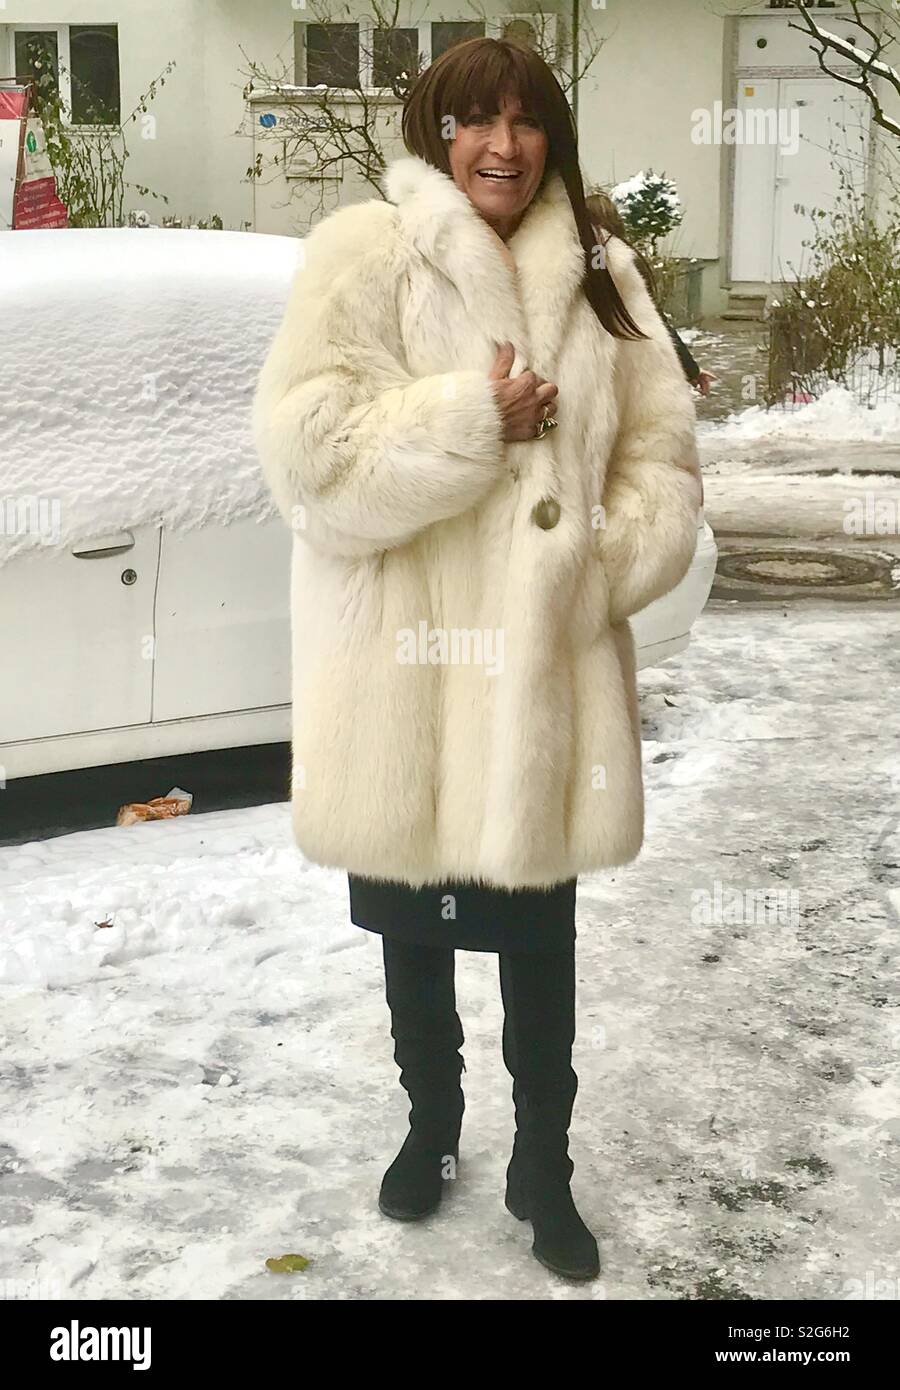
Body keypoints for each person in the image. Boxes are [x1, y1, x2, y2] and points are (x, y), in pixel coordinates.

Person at [253, 36, 702, 1282]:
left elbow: (661, 462)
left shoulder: (604, 273)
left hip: (540, 687)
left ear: (552, 135)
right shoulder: (363, 254)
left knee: (540, 946)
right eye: (473, 122)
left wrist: (588, 571)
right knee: (419, 931)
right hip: (403, 676)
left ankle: (542, 1164)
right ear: (434, 133)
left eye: (524, 120)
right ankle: (432, 1127)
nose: (501, 146)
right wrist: (470, 421)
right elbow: (310, 467)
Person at [585, 190, 716, 397]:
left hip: (600, 365)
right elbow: (656, 318)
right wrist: (691, 369)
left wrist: (690, 369)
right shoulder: (625, 259)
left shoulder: (593, 259)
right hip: (627, 365)